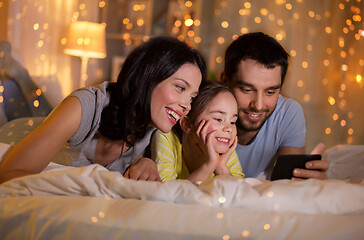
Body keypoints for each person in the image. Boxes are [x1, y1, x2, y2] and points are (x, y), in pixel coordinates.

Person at [0, 36, 206, 183]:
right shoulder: (83, 106)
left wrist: (147, 162)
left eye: (191, 97)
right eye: (180, 88)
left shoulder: (154, 130)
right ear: (148, 78)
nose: (186, 105)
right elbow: (10, 173)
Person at [221, 32, 329, 180]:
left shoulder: (288, 113)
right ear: (225, 81)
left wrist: (305, 180)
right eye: (247, 90)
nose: (258, 106)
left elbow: (288, 181)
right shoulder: (202, 110)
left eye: (270, 92)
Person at [151, 81, 244, 182]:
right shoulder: (166, 138)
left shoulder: (225, 151)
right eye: (218, 119)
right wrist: (210, 165)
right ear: (187, 124)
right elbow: (166, 192)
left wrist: (221, 167)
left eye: (232, 122)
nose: (229, 129)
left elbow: (241, 194)